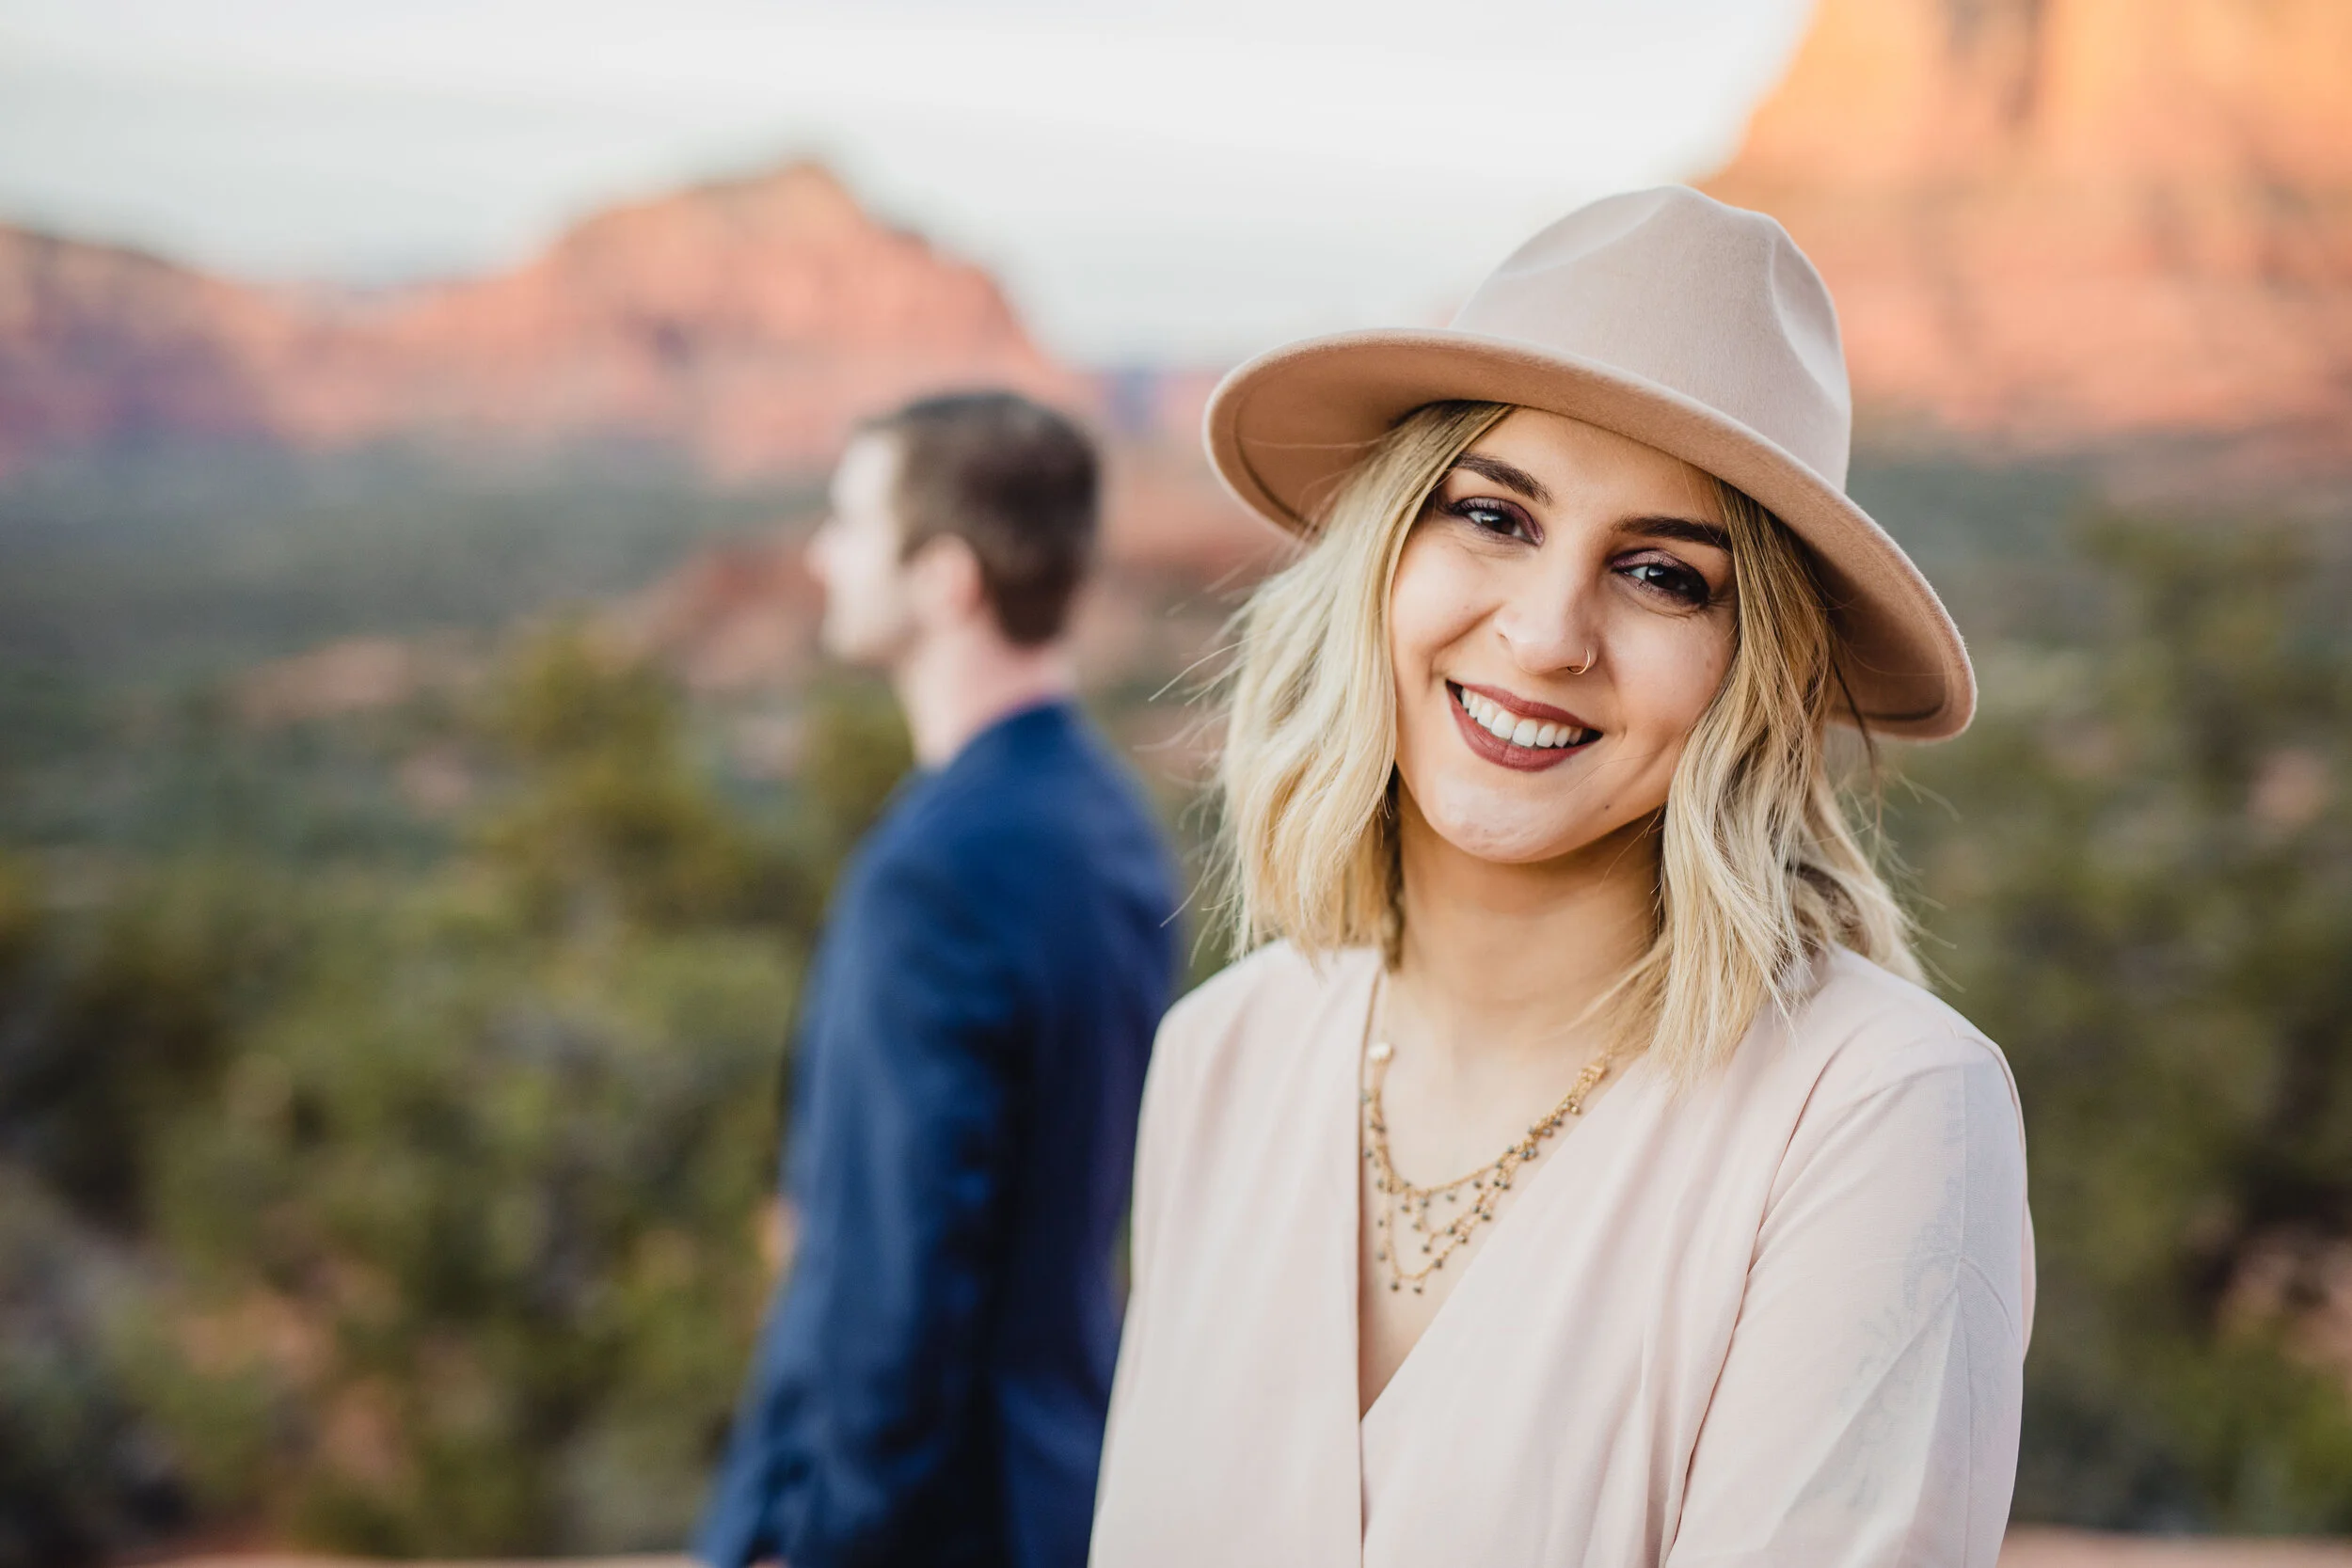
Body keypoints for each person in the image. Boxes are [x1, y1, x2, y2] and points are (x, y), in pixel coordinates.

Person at [1090, 188, 2034, 1565]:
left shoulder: (1875, 1114)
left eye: (1661, 573)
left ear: (1756, 672)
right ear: (1386, 553)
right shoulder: (1223, 1055)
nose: (1544, 634)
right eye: (1494, 514)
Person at [699, 390, 1179, 1568]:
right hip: (1071, 1476)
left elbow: (889, 1280)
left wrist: (813, 1532)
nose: (820, 553)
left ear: (946, 578)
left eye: (850, 521)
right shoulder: (1110, 825)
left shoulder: (935, 871)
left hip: (937, 1520)